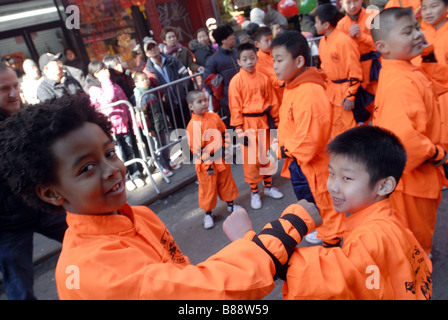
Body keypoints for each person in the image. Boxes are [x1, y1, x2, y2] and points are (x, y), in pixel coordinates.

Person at [0, 94, 323, 299]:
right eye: (86, 168)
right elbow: (204, 295)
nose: (112, 169)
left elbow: (184, 280)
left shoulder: (139, 216)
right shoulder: (97, 271)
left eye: (110, 153)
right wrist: (285, 229)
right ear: (51, 193)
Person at [282, 126, 433, 300]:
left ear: (384, 186)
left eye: (346, 178)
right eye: (331, 173)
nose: (333, 186)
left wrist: (281, 245)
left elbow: (340, 283)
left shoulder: (368, 238)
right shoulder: (387, 219)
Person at [370, 7, 448, 255]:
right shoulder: (401, 81)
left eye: (416, 28)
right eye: (407, 32)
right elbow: (403, 138)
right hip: (413, 178)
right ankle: (416, 271)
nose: (417, 34)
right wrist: (437, 154)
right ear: (383, 47)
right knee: (415, 234)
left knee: (414, 230)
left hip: (411, 177)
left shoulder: (401, 68)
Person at [0, 61, 67, 300]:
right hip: (8, 225)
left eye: (15, 85)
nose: (12, 93)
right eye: (3, 89)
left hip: (42, 206)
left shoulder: (25, 115)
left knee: (92, 239)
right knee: (19, 289)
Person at [271, 30, 345, 247]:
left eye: (279, 60)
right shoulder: (294, 85)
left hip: (311, 165)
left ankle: (333, 248)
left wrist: (282, 149)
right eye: (273, 60)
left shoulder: (309, 91)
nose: (274, 65)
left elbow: (309, 141)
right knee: (313, 204)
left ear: (300, 60)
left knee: (324, 208)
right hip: (299, 162)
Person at [228, 43, 283, 210]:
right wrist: (239, 130)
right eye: (245, 59)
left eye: (252, 58)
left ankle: (267, 187)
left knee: (267, 155)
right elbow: (235, 107)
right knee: (251, 162)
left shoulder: (263, 78)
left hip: (263, 122)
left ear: (257, 58)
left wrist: (278, 122)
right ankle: (254, 192)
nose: (249, 62)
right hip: (246, 124)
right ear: (239, 61)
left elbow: (273, 101)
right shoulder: (236, 81)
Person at [86, 60, 145, 191]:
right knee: (118, 155)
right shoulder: (94, 90)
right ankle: (126, 178)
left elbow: (125, 103)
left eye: (106, 68)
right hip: (111, 129)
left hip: (124, 125)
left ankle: (135, 174)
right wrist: (105, 81)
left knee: (130, 150)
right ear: (96, 74)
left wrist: (132, 120)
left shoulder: (115, 84)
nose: (107, 71)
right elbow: (109, 98)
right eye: (103, 70)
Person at [186, 90, 240, 228]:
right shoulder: (193, 126)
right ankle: (208, 213)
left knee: (226, 182)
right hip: (206, 163)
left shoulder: (214, 116)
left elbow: (224, 133)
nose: (204, 103)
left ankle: (231, 205)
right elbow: (196, 149)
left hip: (221, 157)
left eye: (205, 100)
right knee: (208, 188)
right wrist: (208, 166)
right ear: (191, 106)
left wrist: (227, 151)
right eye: (199, 102)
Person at [315, 4, 365, 139]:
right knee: (335, 127)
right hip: (331, 91)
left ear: (326, 25)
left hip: (344, 92)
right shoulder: (322, 42)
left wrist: (351, 95)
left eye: (316, 22)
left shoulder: (343, 41)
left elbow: (354, 69)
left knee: (350, 129)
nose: (315, 25)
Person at [337, 0, 381, 102]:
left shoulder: (374, 16)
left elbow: (381, 44)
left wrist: (362, 36)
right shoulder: (340, 25)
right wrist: (349, 38)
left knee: (381, 102)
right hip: (355, 72)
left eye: (355, 1)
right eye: (348, 2)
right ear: (341, 4)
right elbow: (340, 51)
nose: (353, 6)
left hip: (375, 68)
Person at [133, 71, 176, 177]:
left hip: (159, 122)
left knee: (164, 143)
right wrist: (148, 129)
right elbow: (143, 115)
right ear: (136, 83)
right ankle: (162, 166)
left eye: (146, 78)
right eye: (142, 80)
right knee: (157, 147)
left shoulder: (151, 91)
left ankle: (168, 161)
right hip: (151, 126)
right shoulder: (140, 96)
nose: (146, 81)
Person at [144, 37, 191, 129]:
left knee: (190, 126)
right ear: (146, 54)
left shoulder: (172, 60)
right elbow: (151, 90)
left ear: (158, 47)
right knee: (178, 131)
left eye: (154, 46)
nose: (153, 49)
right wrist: (161, 99)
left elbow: (185, 74)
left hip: (183, 99)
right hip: (168, 105)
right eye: (149, 48)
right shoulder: (147, 71)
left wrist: (183, 89)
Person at [420, 0, 448, 150]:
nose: (428, 12)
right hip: (426, 96)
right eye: (424, 8)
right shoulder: (419, 33)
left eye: (434, 6)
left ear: (446, 7)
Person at [202, 24, 240, 128]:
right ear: (223, 40)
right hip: (228, 101)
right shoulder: (213, 60)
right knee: (235, 128)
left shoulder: (238, 52)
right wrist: (220, 98)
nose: (234, 37)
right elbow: (206, 81)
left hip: (245, 96)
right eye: (231, 35)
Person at [254, 26, 285, 105]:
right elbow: (273, 77)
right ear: (257, 44)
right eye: (266, 41)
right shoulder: (257, 60)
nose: (270, 43)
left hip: (284, 90)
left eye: (271, 40)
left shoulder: (276, 52)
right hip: (273, 97)